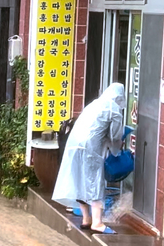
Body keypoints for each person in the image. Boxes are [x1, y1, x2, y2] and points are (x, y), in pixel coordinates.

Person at [52, 83, 127, 234]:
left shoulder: (94, 104)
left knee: (80, 181)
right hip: (90, 148)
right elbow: (115, 136)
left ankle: (86, 219)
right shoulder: (114, 109)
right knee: (95, 182)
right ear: (119, 97)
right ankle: (98, 223)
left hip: (73, 145)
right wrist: (117, 150)